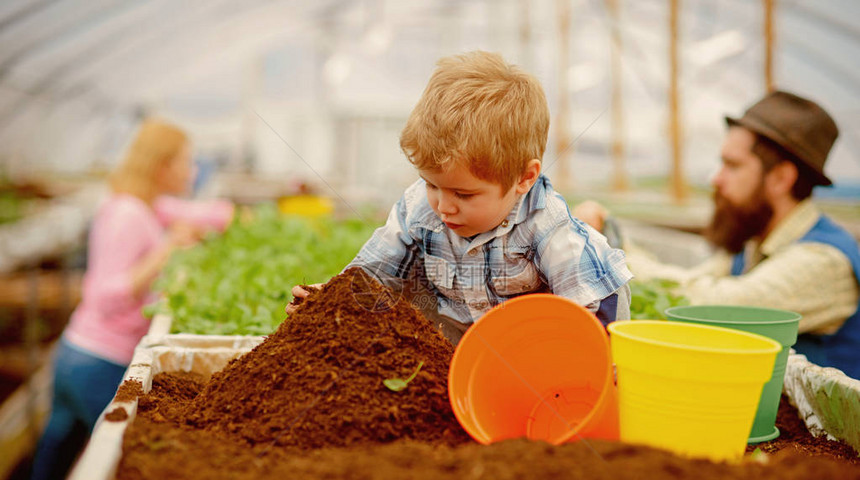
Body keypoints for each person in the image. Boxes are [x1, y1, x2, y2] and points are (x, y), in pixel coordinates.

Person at [289, 51, 632, 343]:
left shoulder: (548, 228)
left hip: (529, 339)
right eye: (431, 184)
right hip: (460, 329)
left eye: (464, 194)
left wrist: (586, 363)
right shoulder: (421, 208)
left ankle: (596, 221)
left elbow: (596, 306)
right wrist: (328, 302)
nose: (444, 205)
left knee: (586, 251)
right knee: (395, 288)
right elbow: (374, 274)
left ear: (524, 178)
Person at [578, 90, 860, 379]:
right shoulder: (753, 242)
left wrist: (609, 249)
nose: (716, 178)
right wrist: (611, 238)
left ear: (781, 178)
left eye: (732, 165)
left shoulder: (823, 261)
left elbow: (707, 306)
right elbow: (686, 282)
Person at [29, 119, 236, 480]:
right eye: (186, 162)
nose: (193, 171)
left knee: (51, 467)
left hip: (76, 354)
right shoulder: (129, 214)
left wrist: (227, 216)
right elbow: (105, 296)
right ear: (162, 167)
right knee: (114, 469)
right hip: (101, 362)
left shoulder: (141, 204)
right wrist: (167, 249)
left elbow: (195, 213)